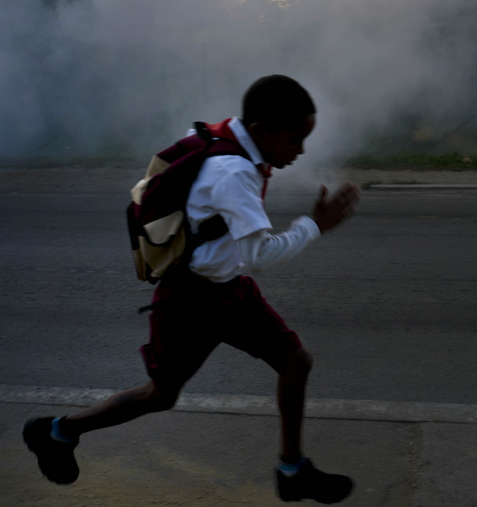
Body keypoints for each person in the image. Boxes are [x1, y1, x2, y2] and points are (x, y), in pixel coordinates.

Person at [23, 75, 360, 504]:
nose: (301, 150)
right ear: (260, 132)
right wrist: (315, 226)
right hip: (190, 299)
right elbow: (259, 254)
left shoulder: (222, 139)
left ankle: (292, 471)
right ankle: (56, 432)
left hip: (229, 288)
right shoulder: (235, 169)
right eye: (295, 139)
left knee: (296, 362)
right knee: (160, 396)